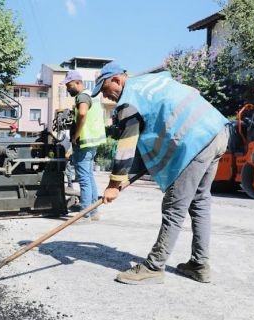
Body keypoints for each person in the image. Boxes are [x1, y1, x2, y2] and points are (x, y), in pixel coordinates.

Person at [92, 62, 229, 284]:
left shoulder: (129, 101)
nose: (107, 98)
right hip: (216, 130)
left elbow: (127, 144)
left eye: (107, 91)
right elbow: (190, 94)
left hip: (195, 140)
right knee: (200, 201)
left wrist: (114, 184)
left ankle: (154, 267)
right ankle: (199, 264)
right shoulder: (153, 80)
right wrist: (124, 177)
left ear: (117, 80)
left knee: (174, 206)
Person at [61, 70, 106, 220]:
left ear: (78, 82)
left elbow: (82, 113)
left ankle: (84, 213)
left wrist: (76, 135)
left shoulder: (83, 96)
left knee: (84, 179)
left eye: (69, 85)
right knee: (89, 176)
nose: (68, 89)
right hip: (93, 142)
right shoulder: (93, 94)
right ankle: (93, 212)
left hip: (84, 142)